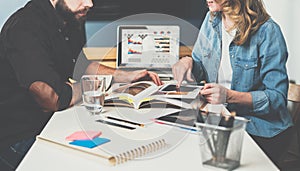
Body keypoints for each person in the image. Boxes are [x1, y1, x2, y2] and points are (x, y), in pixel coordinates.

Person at [0, 0, 162, 170]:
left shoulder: (69, 19)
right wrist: (90, 87)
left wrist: (124, 76)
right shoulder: (24, 27)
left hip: (50, 122)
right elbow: (51, 98)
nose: (90, 4)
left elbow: (80, 64)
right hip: (19, 138)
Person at [172, 0, 293, 167]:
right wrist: (187, 62)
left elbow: (277, 98)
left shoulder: (268, 31)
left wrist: (229, 96)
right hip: (220, 119)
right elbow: (199, 66)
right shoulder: (211, 19)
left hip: (260, 129)